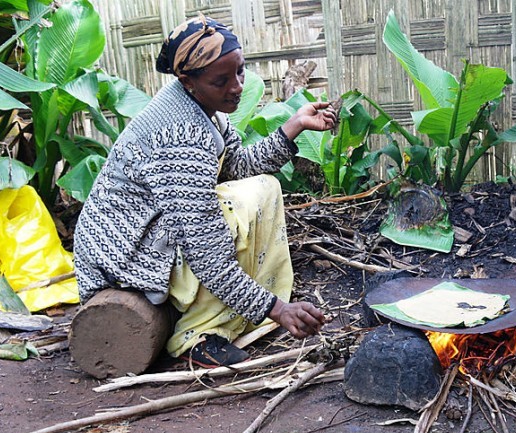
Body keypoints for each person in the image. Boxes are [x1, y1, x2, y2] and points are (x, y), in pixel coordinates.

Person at [73, 14, 336, 368]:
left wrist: (295, 125)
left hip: (155, 229)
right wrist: (276, 309)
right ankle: (197, 335)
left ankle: (233, 312)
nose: (237, 87)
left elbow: (238, 167)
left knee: (265, 187)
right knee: (231, 210)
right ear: (188, 80)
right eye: (221, 80)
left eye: (240, 72)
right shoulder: (180, 133)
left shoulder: (205, 107)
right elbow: (204, 247)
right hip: (125, 256)